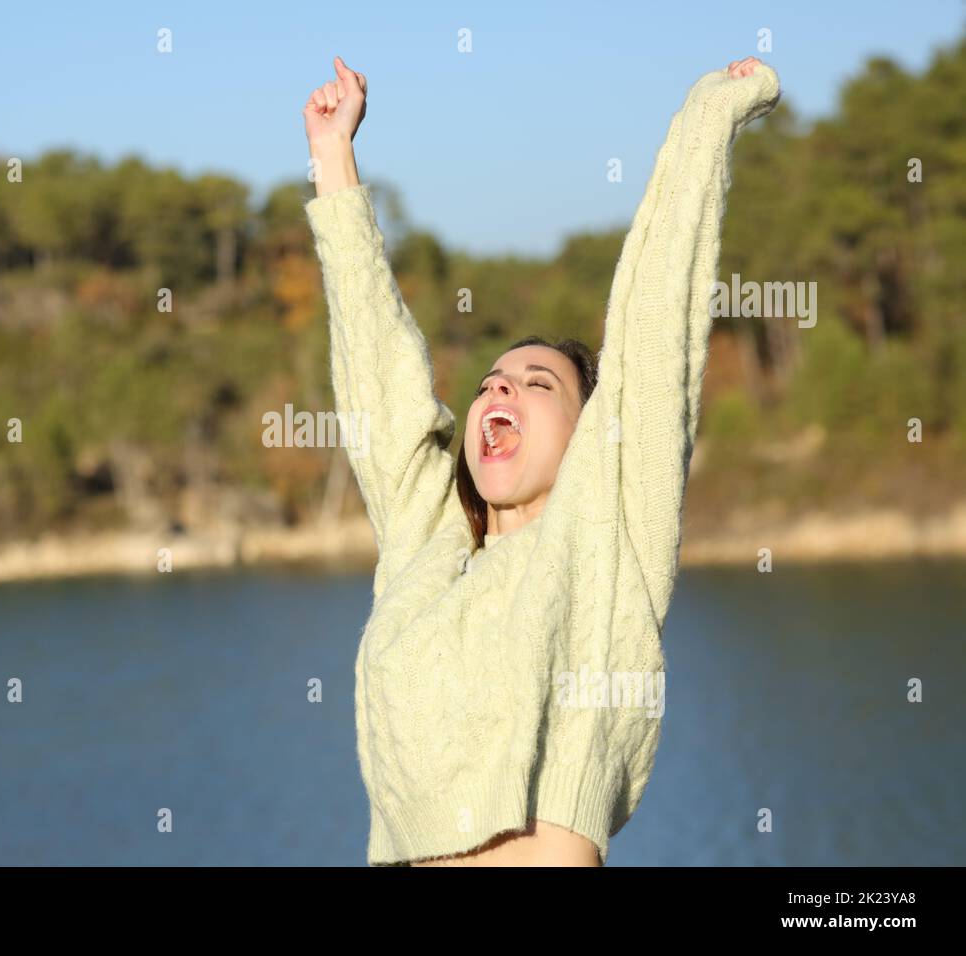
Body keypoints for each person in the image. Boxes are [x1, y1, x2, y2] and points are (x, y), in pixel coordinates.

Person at [301, 54, 781, 865]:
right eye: (490, 383)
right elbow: (378, 379)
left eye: (536, 384)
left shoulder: (605, 534)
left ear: (591, 430)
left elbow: (657, 320)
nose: (500, 394)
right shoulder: (429, 546)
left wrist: (705, 121)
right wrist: (332, 158)